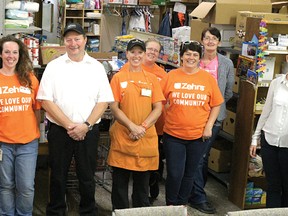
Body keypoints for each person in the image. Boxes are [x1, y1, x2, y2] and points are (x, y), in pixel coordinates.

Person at [37, 23, 114, 215]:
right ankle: (56, 211)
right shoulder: (54, 66)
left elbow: (103, 101)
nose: (73, 43)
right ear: (64, 42)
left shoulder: (96, 67)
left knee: (87, 176)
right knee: (58, 176)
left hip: (88, 132)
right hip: (60, 131)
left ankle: (88, 211)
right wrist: (70, 125)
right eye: (69, 39)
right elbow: (45, 100)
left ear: (85, 40)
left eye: (77, 39)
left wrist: (85, 126)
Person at [160, 40, 224, 206]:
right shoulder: (171, 76)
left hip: (198, 136)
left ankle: (182, 205)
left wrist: (209, 126)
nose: (191, 57)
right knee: (174, 173)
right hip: (173, 135)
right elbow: (158, 101)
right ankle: (171, 205)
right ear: (181, 56)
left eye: (195, 54)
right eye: (188, 54)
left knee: (190, 173)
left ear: (199, 58)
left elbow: (216, 104)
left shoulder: (207, 79)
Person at [107, 39, 165, 210]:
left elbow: (158, 107)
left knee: (141, 188)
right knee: (119, 186)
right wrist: (132, 127)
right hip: (123, 137)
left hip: (145, 139)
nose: (136, 56)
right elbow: (114, 107)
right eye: (133, 52)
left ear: (144, 54)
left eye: (140, 52)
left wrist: (142, 127)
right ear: (127, 54)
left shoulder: (152, 79)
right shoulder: (118, 78)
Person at [189, 27, 234, 214]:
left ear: (219, 42)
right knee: (199, 157)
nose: (210, 42)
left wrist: (214, 107)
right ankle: (196, 193)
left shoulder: (226, 63)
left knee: (200, 157)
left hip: (214, 118)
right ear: (201, 41)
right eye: (206, 38)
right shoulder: (193, 59)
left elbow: (228, 92)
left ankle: (197, 196)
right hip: (192, 115)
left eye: (213, 39)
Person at [0, 35, 41, 215]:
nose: (11, 56)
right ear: (1, 55)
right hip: (3, 144)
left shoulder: (30, 79)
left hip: (28, 143)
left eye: (14, 52)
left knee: (25, 186)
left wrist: (35, 132)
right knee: (5, 185)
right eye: (7, 52)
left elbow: (37, 110)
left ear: (20, 55)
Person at [250, 56, 288, 208]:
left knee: (287, 187)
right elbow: (266, 112)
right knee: (272, 185)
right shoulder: (276, 83)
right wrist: (255, 138)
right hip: (269, 140)